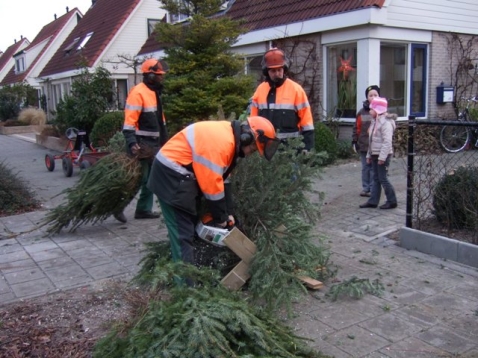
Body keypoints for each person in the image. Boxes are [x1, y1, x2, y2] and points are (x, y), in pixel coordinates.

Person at [147, 116, 280, 264]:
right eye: (253, 149)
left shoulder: (230, 140)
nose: (250, 153)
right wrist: (221, 219)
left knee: (190, 226)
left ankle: (191, 270)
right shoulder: (221, 144)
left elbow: (224, 180)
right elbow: (212, 187)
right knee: (182, 235)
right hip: (170, 175)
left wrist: (229, 213)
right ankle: (185, 284)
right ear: (246, 137)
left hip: (182, 174)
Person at [113, 59, 169, 223]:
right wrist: (132, 143)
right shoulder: (138, 93)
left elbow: (159, 120)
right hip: (141, 144)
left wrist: (164, 141)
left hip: (153, 144)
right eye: (159, 75)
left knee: (151, 178)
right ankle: (119, 207)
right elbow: (129, 122)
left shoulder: (154, 92)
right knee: (138, 178)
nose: (161, 78)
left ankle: (143, 209)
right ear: (150, 75)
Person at [250, 48, 314, 152]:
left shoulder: (296, 90)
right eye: (273, 71)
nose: (277, 73)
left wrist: (307, 147)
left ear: (284, 69)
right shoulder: (260, 90)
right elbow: (253, 121)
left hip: (291, 150)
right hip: (266, 148)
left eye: (279, 70)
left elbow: (307, 122)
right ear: (267, 71)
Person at [359, 97, 398, 210]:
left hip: (383, 155)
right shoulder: (375, 121)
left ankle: (392, 201)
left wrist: (382, 157)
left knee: (383, 178)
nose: (370, 111)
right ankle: (373, 201)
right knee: (375, 178)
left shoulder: (386, 123)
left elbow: (387, 142)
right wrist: (368, 155)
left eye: (372, 109)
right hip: (374, 154)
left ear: (378, 110)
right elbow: (371, 141)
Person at [352, 85, 380, 197]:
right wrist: (354, 141)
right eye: (370, 95)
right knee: (365, 168)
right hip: (364, 145)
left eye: (375, 95)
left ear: (379, 96)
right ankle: (366, 188)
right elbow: (356, 128)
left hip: (376, 145)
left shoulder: (381, 111)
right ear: (367, 97)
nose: (372, 97)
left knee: (374, 168)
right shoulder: (362, 112)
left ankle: (374, 188)